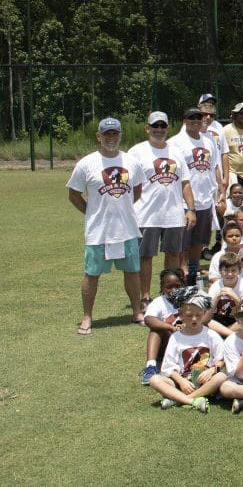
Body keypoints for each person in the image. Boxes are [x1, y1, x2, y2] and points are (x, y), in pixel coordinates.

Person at [67, 117, 147, 334]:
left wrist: (123, 210)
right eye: (106, 134)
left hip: (127, 229)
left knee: (132, 271)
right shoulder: (86, 163)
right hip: (98, 231)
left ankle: (137, 312)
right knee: (91, 274)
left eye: (115, 134)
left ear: (120, 135)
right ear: (98, 137)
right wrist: (91, 212)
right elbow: (73, 194)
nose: (111, 138)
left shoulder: (131, 161)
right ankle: (87, 317)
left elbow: (137, 191)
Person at [128, 111, 197, 308]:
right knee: (145, 257)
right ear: (147, 128)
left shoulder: (176, 152)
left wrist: (190, 209)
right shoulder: (136, 152)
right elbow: (130, 185)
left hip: (173, 214)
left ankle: (171, 294)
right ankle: (145, 297)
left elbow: (185, 183)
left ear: (168, 128)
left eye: (162, 126)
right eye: (155, 126)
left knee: (173, 254)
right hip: (145, 214)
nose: (159, 130)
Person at [146, 291, 226, 412]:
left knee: (221, 376)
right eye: (189, 315)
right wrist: (181, 381)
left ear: (204, 313)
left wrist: (212, 370)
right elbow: (168, 367)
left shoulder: (211, 335)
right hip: (182, 381)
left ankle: (179, 399)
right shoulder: (176, 337)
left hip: (205, 381)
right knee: (154, 380)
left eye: (198, 315)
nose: (194, 319)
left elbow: (222, 360)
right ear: (181, 315)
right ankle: (192, 401)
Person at [169, 107, 221, 286]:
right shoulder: (176, 142)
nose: (195, 121)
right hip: (185, 200)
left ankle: (193, 270)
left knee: (200, 240)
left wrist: (219, 189)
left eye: (198, 118)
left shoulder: (209, 141)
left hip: (205, 199)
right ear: (184, 121)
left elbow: (214, 166)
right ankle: (182, 272)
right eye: (191, 118)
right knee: (184, 241)